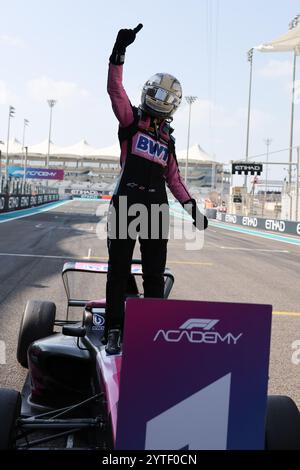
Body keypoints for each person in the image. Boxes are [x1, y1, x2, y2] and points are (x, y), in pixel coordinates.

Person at [105, 24, 208, 354]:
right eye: (158, 93)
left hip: (155, 209)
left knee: (153, 275)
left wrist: (193, 210)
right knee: (118, 272)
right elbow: (115, 90)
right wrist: (119, 52)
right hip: (125, 204)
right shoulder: (130, 121)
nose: (161, 99)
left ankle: (152, 333)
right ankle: (114, 330)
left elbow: (175, 181)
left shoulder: (169, 141)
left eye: (167, 96)